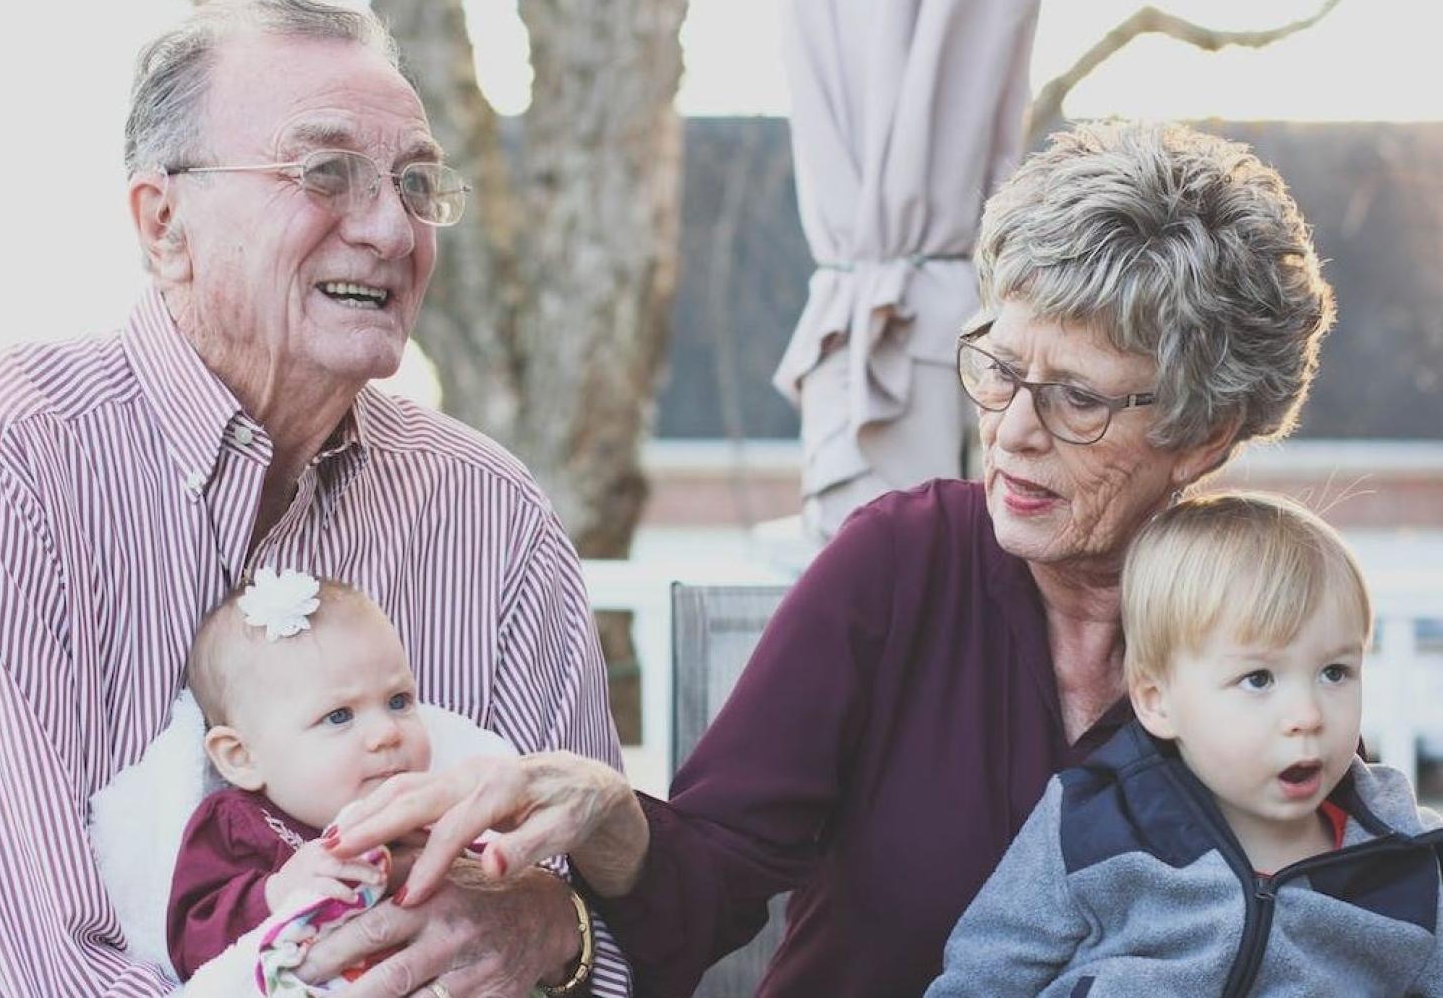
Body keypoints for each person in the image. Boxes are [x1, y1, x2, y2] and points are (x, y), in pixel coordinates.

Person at [316, 119, 1343, 995]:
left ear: (1203, 436)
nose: (1013, 430)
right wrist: (610, 812)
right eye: (998, 365)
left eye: (1075, 397)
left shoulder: (1270, 621)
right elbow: (709, 878)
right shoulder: (903, 564)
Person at [0, 0, 628, 996]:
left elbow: (596, 923)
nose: (392, 227)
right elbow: (6, 968)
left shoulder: (492, 511)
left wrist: (548, 930)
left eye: (417, 181)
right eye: (325, 171)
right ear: (165, 222)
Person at [927, 493, 1443, 995]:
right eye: (1258, 679)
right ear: (1157, 701)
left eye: (1335, 672)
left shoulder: (1407, 860)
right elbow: (982, 979)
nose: (1307, 716)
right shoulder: (1092, 824)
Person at [166, 570, 429, 979]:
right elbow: (191, 944)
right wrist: (276, 893)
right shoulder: (240, 824)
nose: (387, 732)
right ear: (242, 757)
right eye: (338, 715)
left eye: (399, 701)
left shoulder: (432, 812)